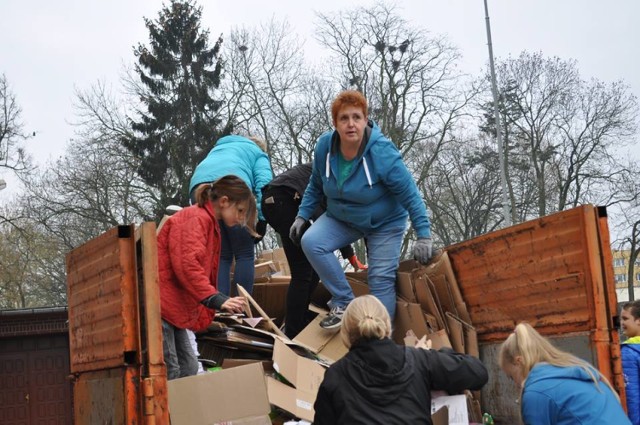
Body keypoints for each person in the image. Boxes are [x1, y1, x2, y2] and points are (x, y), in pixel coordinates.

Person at [290, 90, 433, 329]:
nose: (351, 124)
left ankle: (380, 339)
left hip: (385, 221)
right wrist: (302, 215)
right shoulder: (325, 147)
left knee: (380, 279)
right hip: (343, 216)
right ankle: (344, 301)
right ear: (334, 123)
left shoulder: (382, 152)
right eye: (344, 118)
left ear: (366, 120)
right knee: (312, 241)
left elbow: (410, 194)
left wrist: (424, 234)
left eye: (356, 117)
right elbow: (316, 183)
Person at [313, 295, 488, 424]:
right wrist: (439, 355)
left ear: (346, 333)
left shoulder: (335, 376)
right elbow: (478, 374)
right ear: (387, 326)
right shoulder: (418, 360)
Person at [159, 175, 254, 380]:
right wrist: (219, 299)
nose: (240, 218)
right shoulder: (197, 219)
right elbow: (188, 266)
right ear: (224, 201)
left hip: (171, 307)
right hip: (162, 306)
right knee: (171, 371)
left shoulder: (207, 221)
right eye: (240, 211)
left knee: (189, 368)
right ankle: (171, 413)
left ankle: (182, 412)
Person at [261, 162, 367, 338]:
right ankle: (294, 332)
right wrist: (348, 253)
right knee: (302, 270)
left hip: (281, 200)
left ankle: (297, 323)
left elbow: (332, 221)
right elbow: (328, 220)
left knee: (313, 269)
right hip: (282, 199)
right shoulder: (336, 177)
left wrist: (350, 255)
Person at [499, 322, 630, 425]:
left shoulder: (536, 392)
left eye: (511, 376)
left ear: (519, 362)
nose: (515, 383)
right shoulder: (573, 370)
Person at [189, 135, 273, 296]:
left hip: (199, 189)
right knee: (244, 252)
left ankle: (220, 310)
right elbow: (265, 187)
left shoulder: (218, 149)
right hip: (232, 187)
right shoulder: (257, 153)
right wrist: (263, 220)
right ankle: (241, 310)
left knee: (221, 254)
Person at [621, 300, 640, 425]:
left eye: (625, 318)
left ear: (638, 321)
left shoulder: (628, 352)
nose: (621, 323)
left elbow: (631, 397)